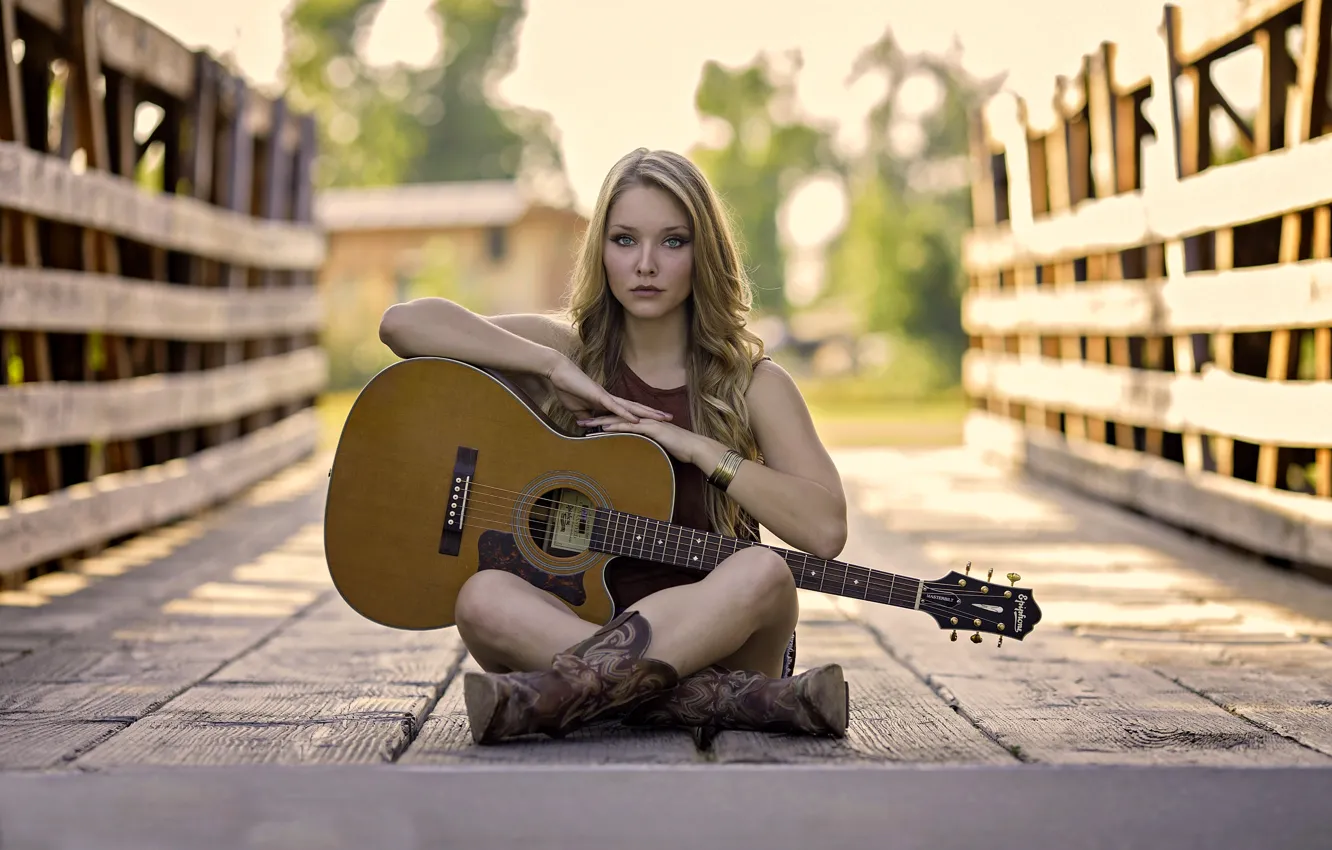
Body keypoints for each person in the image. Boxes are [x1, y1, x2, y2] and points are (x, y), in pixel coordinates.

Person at [377, 148, 850, 745]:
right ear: (600, 249)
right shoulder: (570, 355)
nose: (646, 264)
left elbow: (826, 530)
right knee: (481, 597)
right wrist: (549, 365)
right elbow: (402, 324)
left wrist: (701, 450)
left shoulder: (753, 382)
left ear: (703, 252)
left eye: (672, 242)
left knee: (762, 570)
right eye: (625, 240)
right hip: (581, 626)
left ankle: (570, 695)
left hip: (731, 644)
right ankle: (722, 704)